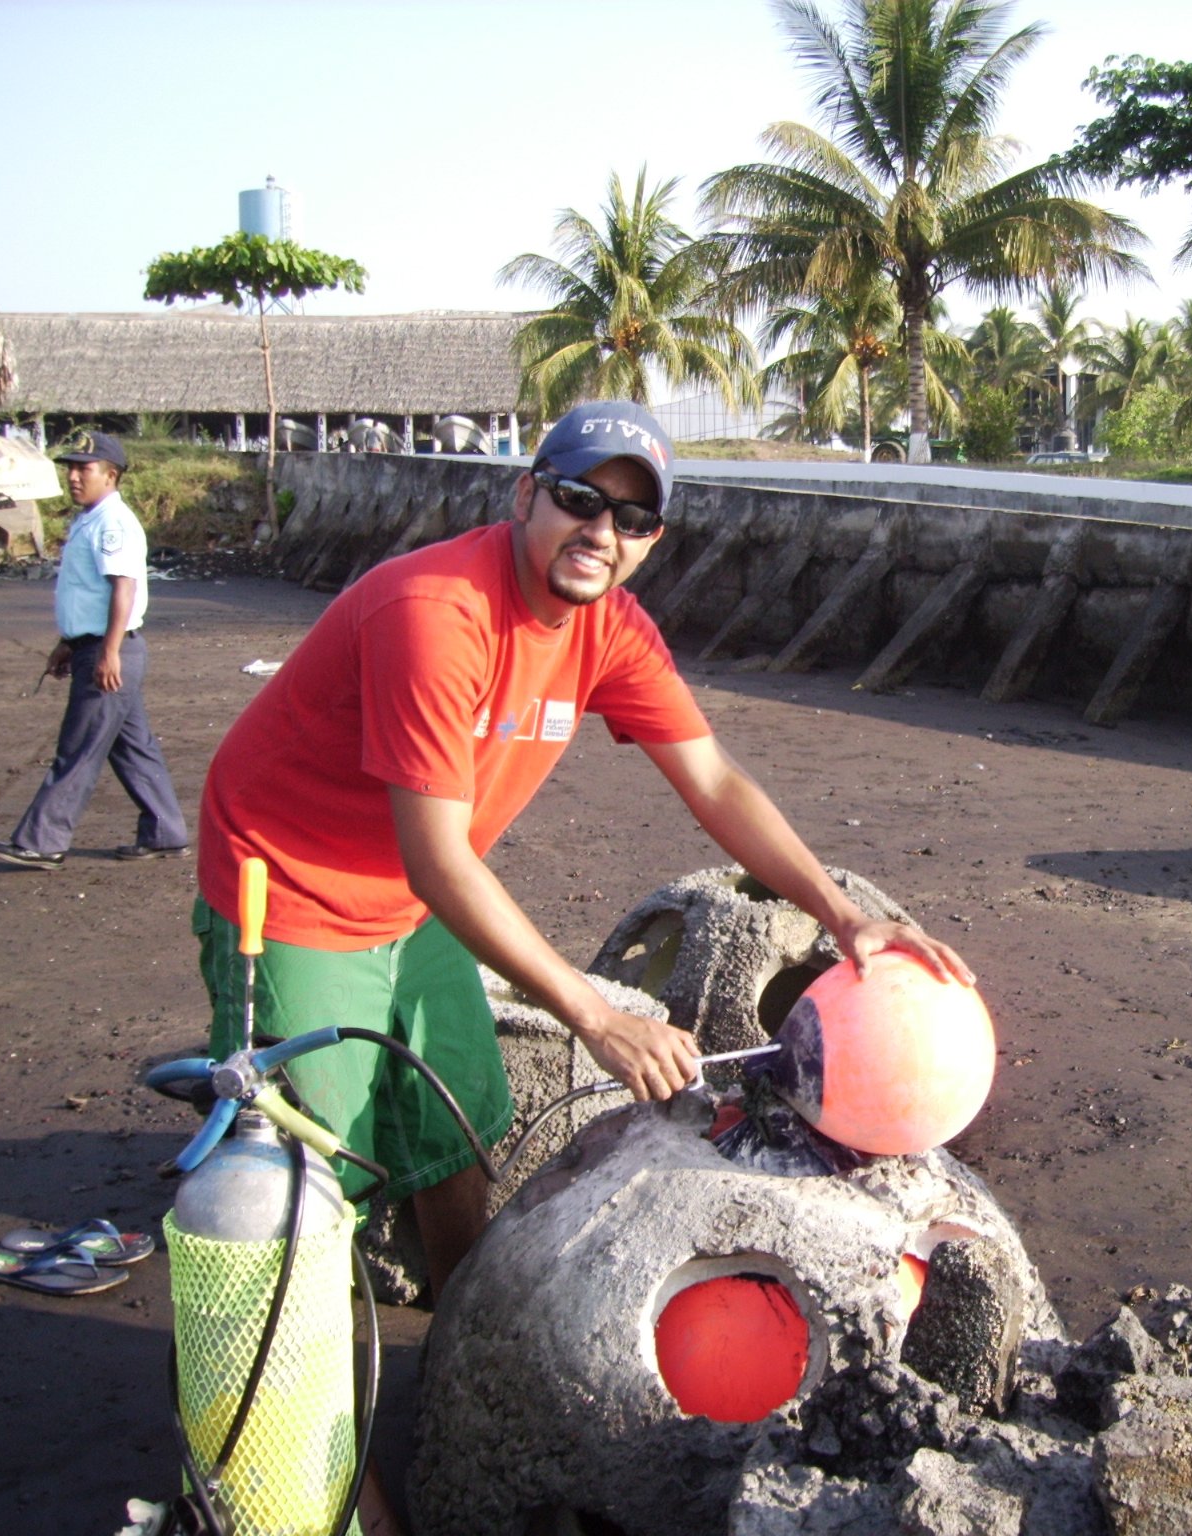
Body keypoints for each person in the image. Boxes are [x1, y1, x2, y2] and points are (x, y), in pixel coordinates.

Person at [194, 400, 974, 1305]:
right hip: (293, 886)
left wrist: (841, 915)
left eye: (632, 518)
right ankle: (302, 1426)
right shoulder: (437, 613)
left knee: (456, 1123)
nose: (602, 531)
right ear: (527, 497)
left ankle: (460, 1338)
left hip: (415, 898)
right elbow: (438, 858)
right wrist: (596, 1020)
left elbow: (713, 781)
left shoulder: (611, 629)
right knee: (309, 1176)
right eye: (579, 499)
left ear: (652, 538)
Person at [0, 431, 190, 869]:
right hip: (98, 646)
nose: (74, 476)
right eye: (71, 467)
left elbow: (124, 588)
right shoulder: (89, 519)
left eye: (85, 468)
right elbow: (87, 594)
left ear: (111, 475)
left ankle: (43, 841)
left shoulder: (112, 523)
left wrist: (108, 651)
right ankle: (165, 831)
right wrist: (69, 642)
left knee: (79, 747)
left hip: (111, 650)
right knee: (133, 747)